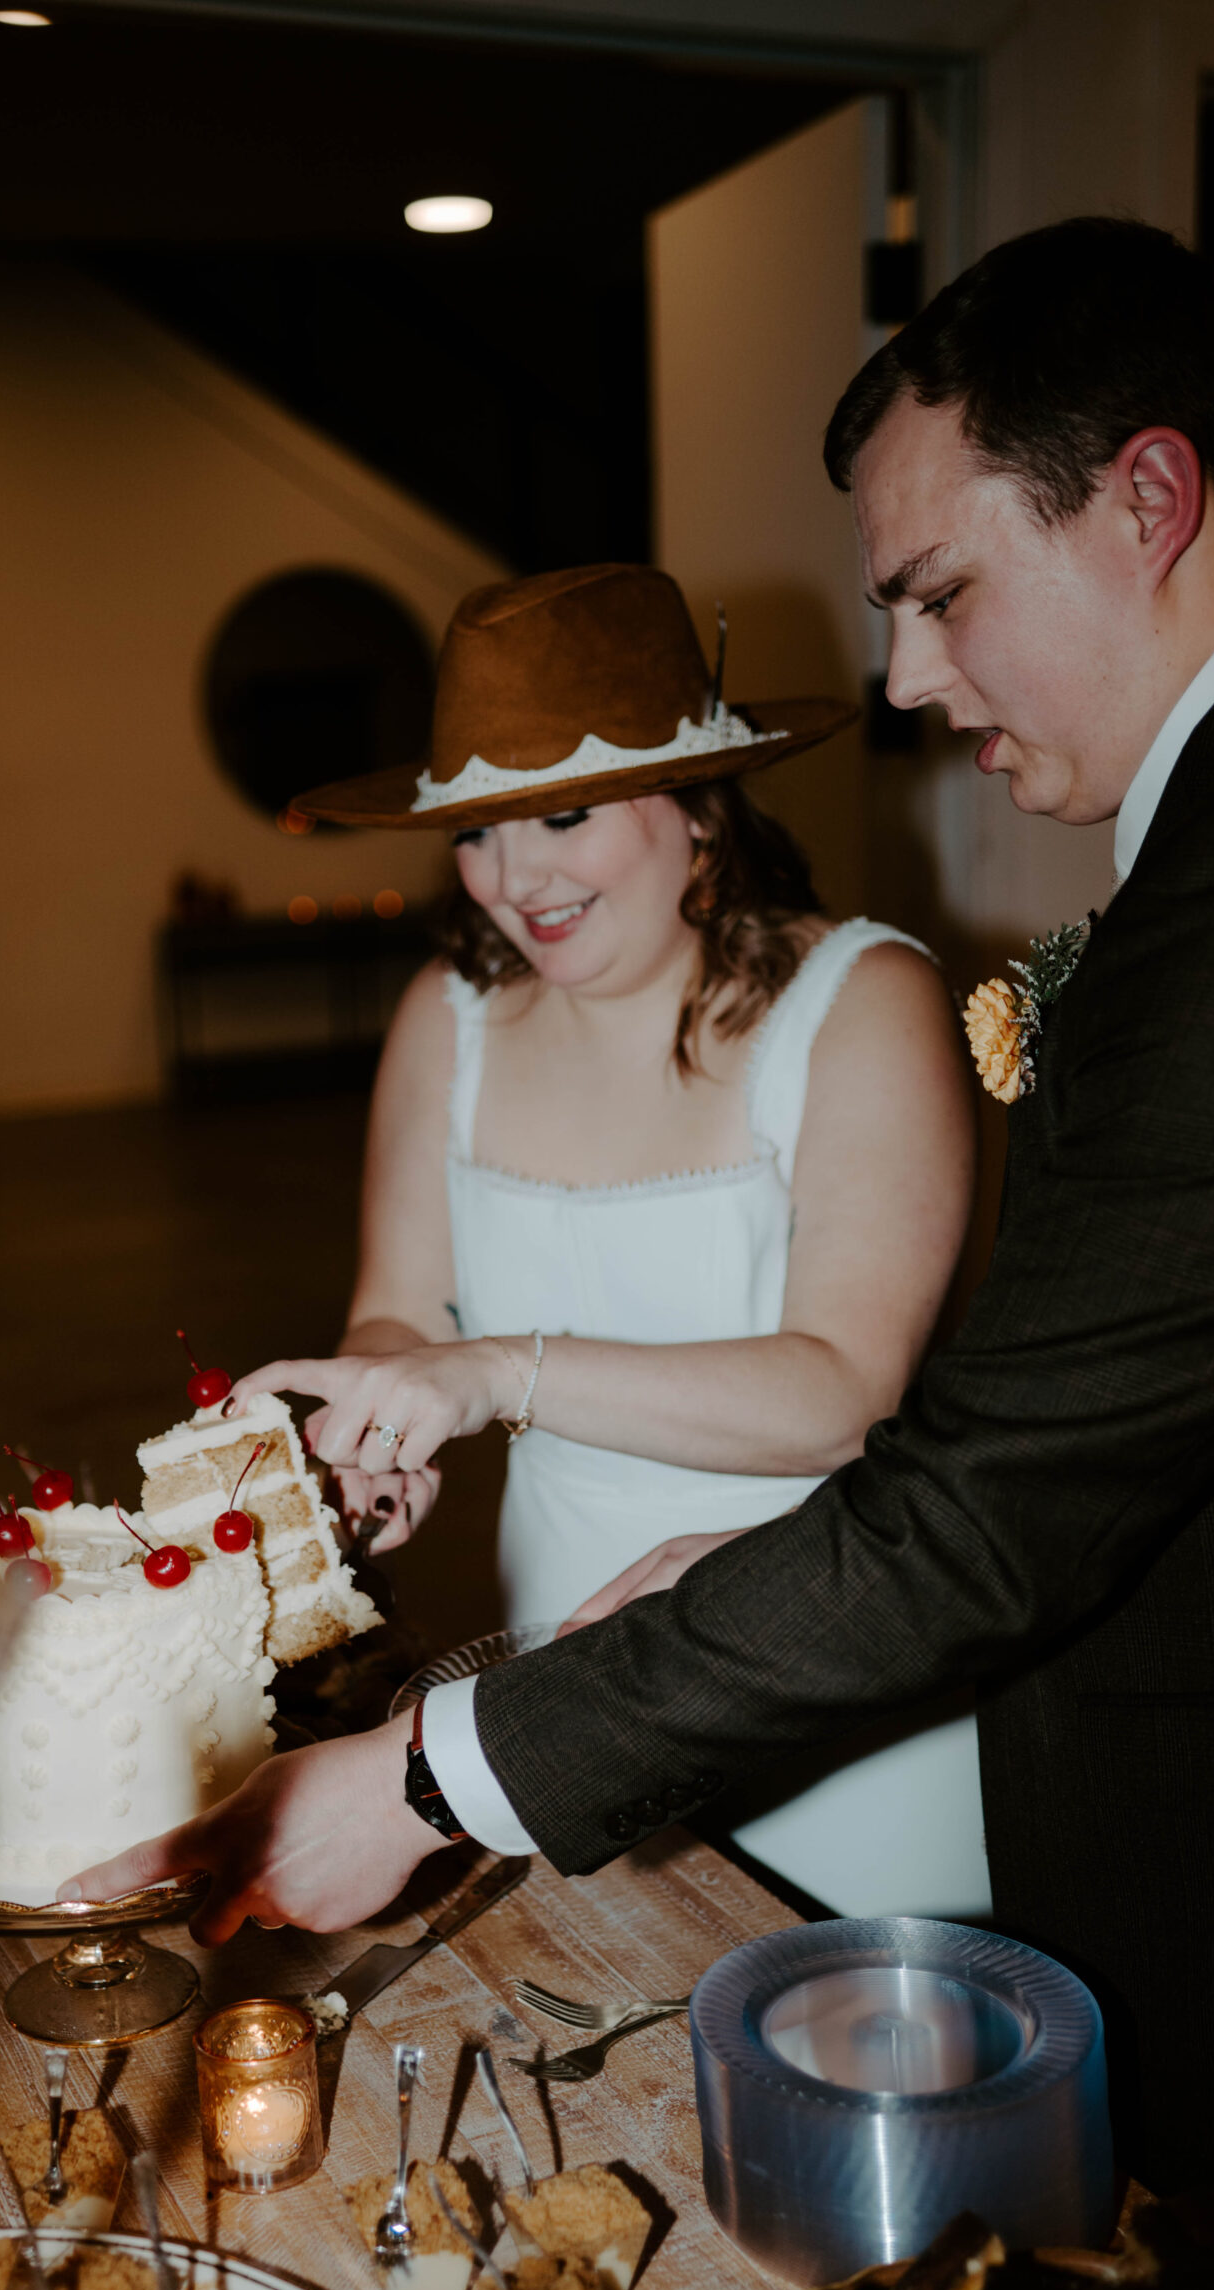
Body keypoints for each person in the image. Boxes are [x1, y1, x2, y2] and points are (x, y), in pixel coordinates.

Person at [63, 219, 1214, 2243]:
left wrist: (419, 1762)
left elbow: (974, 1485)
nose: (909, 677)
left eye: (937, 594)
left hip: (1015, 1752)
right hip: (651, 1650)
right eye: (479, 824)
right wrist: (390, 1430)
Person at [227, 561, 980, 1912]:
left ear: (698, 802)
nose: (511, 879)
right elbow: (398, 1311)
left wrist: (490, 1374)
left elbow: (842, 1397)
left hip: (832, 1690)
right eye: (472, 829)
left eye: (560, 815)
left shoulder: (865, 1001)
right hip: (556, 1702)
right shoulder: (443, 1018)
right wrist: (372, 1433)